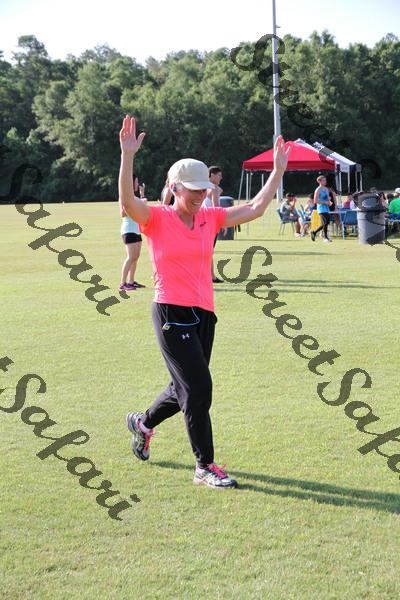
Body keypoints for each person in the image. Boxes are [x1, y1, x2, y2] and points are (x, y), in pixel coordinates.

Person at [119, 115, 290, 489]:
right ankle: (204, 466)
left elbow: (254, 208)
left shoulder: (208, 218)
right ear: (175, 188)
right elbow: (129, 203)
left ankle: (143, 424)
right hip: (170, 311)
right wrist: (127, 156)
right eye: (193, 190)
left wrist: (277, 171)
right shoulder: (157, 218)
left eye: (203, 189)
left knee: (182, 387)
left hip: (204, 314)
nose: (200, 195)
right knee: (198, 389)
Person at [119, 175, 146, 291]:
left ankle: (131, 281)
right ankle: (122, 283)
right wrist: (133, 207)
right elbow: (122, 213)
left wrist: (142, 194)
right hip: (128, 229)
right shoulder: (124, 196)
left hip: (136, 230)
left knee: (136, 257)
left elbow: (143, 208)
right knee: (131, 257)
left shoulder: (134, 197)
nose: (137, 184)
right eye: (136, 182)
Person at [202, 165, 226, 283]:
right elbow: (216, 208)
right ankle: (211, 276)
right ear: (212, 175)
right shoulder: (214, 189)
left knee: (206, 250)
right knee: (208, 251)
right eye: (219, 175)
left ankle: (210, 275)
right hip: (210, 223)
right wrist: (223, 223)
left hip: (200, 222)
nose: (221, 178)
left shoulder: (203, 187)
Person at [310, 175, 332, 243]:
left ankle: (314, 232)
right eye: (323, 180)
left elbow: (328, 198)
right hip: (321, 208)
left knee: (327, 222)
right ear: (319, 181)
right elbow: (315, 201)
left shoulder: (326, 189)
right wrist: (325, 202)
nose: (325, 182)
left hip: (326, 207)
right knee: (325, 222)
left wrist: (329, 201)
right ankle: (326, 238)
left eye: (325, 180)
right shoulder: (318, 190)